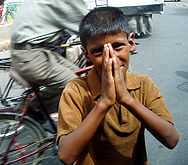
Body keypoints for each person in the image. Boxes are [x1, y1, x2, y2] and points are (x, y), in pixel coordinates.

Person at [57, 7, 179, 165]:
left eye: (117, 47)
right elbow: (66, 156)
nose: (111, 58)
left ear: (131, 43)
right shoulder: (76, 90)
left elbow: (171, 139)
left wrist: (127, 99)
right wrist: (104, 102)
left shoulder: (143, 84)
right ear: (86, 55)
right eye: (98, 51)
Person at [11, 0, 88, 95]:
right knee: (80, 86)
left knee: (81, 75)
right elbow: (86, 25)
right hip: (32, 56)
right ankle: (36, 106)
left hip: (36, 52)